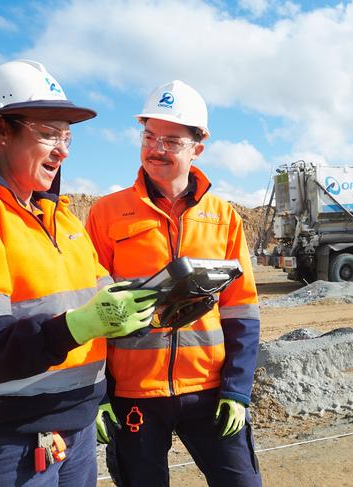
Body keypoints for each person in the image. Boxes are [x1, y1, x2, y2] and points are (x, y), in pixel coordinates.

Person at [0, 59, 157, 486]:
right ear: (1, 130)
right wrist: (81, 325)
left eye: (68, 136)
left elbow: (103, 303)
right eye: (49, 133)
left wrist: (157, 300)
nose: (64, 150)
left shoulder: (63, 219)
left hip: (73, 436)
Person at [85, 80, 262, 486]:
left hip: (210, 390)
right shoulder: (108, 214)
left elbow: (242, 310)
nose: (156, 148)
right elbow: (90, 310)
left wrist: (236, 389)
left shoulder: (223, 217)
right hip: (135, 394)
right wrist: (98, 395)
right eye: (149, 136)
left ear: (197, 147)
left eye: (171, 140)